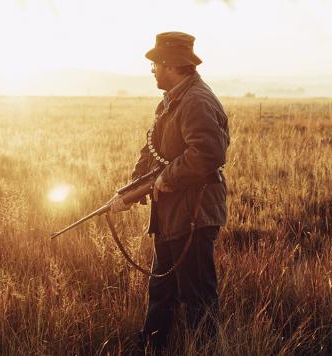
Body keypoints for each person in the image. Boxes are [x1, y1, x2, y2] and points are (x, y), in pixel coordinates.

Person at [108, 31, 230, 352]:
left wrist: (168, 179)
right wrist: (129, 193)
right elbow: (153, 152)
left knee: (197, 297)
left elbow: (208, 153)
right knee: (162, 289)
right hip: (171, 214)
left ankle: (202, 349)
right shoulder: (173, 99)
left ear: (172, 65)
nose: (152, 70)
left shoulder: (196, 101)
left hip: (193, 213)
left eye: (155, 64)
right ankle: (150, 347)